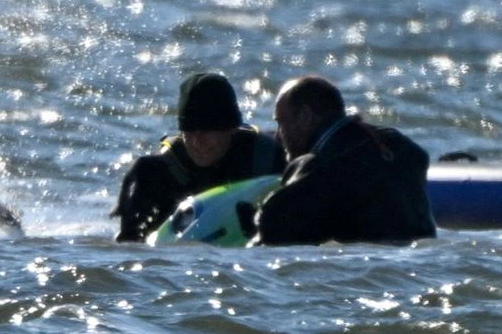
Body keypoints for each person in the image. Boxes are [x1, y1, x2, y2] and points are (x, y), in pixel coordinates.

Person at [250, 74, 436, 246]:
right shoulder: (398, 145)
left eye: (281, 122)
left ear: (306, 117)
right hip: (420, 258)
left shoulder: (317, 166)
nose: (278, 137)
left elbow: (271, 222)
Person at [113, 69, 289, 242]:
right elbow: (130, 247)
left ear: (232, 129)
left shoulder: (267, 159)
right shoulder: (154, 173)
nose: (197, 142)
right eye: (189, 131)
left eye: (208, 131)